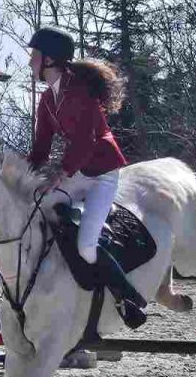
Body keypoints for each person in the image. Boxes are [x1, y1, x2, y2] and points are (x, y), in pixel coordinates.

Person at [25, 26, 146, 326]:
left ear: (50, 60)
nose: (30, 63)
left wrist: (60, 173)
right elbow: (40, 148)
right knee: (39, 210)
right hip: (78, 170)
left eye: (34, 56)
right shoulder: (48, 100)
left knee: (86, 246)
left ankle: (128, 298)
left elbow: (86, 141)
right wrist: (19, 175)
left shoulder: (78, 91)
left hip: (102, 174)